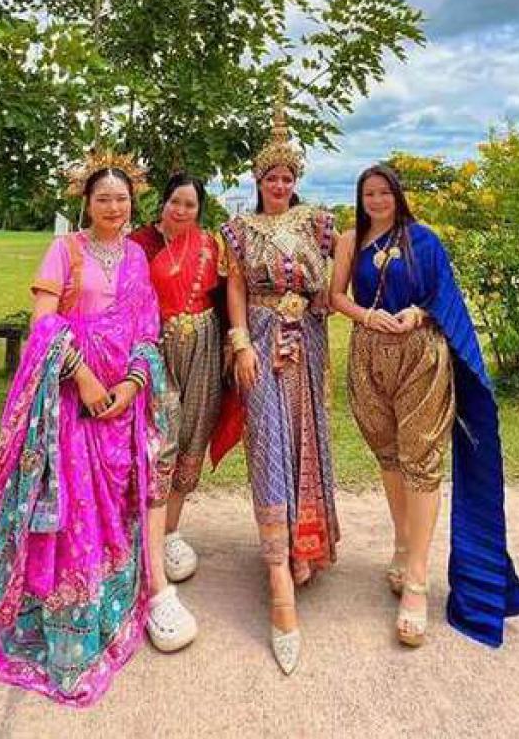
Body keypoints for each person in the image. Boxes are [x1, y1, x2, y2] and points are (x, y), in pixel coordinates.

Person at [0, 150, 196, 708]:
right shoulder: (65, 250)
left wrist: (132, 384)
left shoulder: (136, 257)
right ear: (87, 202)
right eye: (104, 199)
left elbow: (146, 328)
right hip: (71, 406)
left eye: (122, 199)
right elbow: (45, 323)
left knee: (116, 510)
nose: (114, 208)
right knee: (73, 512)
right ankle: (65, 628)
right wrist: (85, 379)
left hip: (123, 405)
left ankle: (112, 607)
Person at [330, 163, 519, 648]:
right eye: (369, 193)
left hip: (421, 354)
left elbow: (443, 296)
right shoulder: (350, 240)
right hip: (368, 355)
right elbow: (334, 297)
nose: (377, 200)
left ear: (397, 195)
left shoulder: (424, 240)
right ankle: (402, 544)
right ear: (360, 198)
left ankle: (417, 580)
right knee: (389, 456)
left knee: (421, 461)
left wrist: (417, 312)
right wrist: (368, 316)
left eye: (384, 192)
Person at [217, 97, 339, 675]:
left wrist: (322, 303)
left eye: (288, 177)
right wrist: (240, 342)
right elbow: (236, 287)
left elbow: (337, 276)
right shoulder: (240, 230)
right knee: (267, 441)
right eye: (272, 177)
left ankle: (303, 546)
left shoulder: (317, 223)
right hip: (262, 340)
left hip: (307, 340)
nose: (280, 185)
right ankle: (277, 576)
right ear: (258, 180)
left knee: (305, 437)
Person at [130, 172, 224, 583]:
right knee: (156, 437)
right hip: (155, 348)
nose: (181, 211)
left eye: (190, 204)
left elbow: (225, 295)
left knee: (193, 435)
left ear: (199, 210)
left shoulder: (210, 246)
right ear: (163, 203)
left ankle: (170, 531)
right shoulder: (139, 244)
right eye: (175, 202)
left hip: (204, 347)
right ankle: (139, 532)